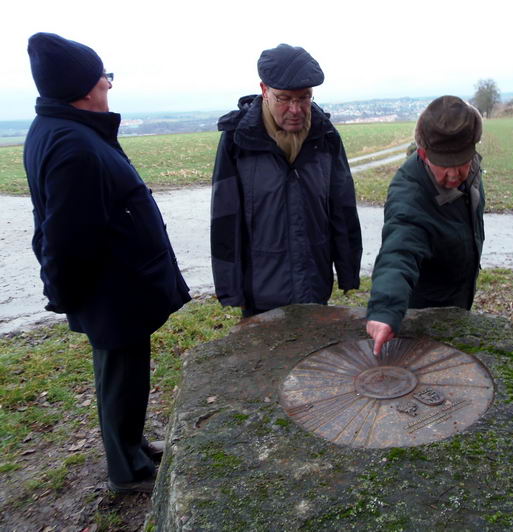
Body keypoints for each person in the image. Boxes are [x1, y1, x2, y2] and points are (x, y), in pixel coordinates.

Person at [24, 33, 191, 494]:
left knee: (127, 374)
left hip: (116, 288)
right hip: (112, 291)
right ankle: (129, 473)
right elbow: (67, 235)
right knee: (119, 378)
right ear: (83, 89)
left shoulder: (61, 130)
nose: (108, 87)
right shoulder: (73, 146)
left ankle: (132, 446)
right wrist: (64, 293)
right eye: (104, 79)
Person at [210, 43, 362, 317]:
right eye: (284, 98)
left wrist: (348, 271)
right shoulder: (238, 140)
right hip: (260, 292)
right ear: (264, 90)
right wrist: (230, 288)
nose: (296, 109)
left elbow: (343, 208)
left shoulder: (325, 137)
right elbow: (225, 218)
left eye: (304, 98)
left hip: (315, 286)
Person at [366, 95, 485, 355]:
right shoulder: (410, 192)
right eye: (443, 165)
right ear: (423, 153)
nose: (453, 175)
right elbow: (399, 250)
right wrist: (385, 311)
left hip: (458, 296)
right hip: (422, 313)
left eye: (461, 162)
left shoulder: (471, 171)